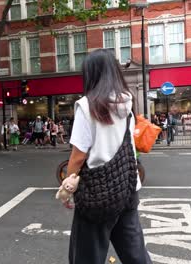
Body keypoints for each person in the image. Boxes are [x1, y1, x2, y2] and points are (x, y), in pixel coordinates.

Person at [65, 49, 151, 264]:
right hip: (128, 186)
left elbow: (78, 155)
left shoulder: (87, 106)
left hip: (98, 192)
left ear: (91, 74)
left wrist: (67, 187)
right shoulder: (128, 103)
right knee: (134, 252)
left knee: (87, 255)